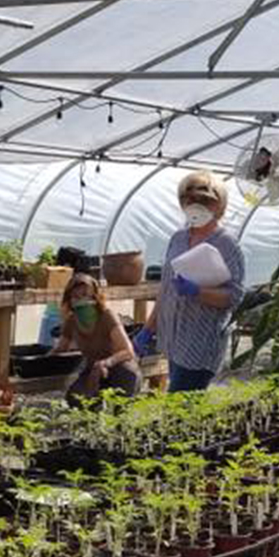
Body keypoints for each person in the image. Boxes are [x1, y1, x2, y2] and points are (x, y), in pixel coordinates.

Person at [133, 170, 245, 393]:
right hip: (174, 341)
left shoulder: (227, 244)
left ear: (219, 206)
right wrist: (148, 330)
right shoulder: (178, 238)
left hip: (201, 342)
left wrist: (197, 291)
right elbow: (166, 289)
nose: (196, 205)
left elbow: (234, 296)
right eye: (189, 199)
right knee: (182, 410)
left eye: (205, 201)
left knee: (179, 407)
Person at [51, 273, 141, 405]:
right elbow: (61, 348)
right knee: (76, 397)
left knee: (126, 379)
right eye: (75, 297)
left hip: (118, 366)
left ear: (95, 297)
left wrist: (106, 363)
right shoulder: (72, 321)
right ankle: (94, 418)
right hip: (93, 369)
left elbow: (128, 351)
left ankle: (121, 419)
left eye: (85, 296)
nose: (81, 301)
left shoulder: (106, 316)